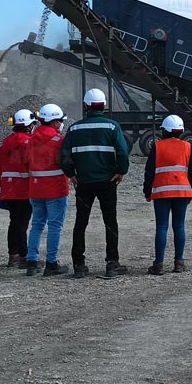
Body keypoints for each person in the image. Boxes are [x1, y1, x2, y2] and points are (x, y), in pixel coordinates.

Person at [61, 88, 131, 279]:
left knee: (81, 222)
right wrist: (120, 171)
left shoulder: (74, 129)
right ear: (104, 106)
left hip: (84, 183)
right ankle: (111, 263)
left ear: (86, 106)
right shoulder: (112, 127)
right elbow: (123, 152)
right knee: (110, 221)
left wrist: (71, 174)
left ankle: (79, 265)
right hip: (107, 182)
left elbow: (65, 154)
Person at [143, 115, 192, 276]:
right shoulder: (187, 146)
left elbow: (149, 172)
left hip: (161, 192)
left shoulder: (157, 146)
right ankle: (179, 263)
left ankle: (158, 265)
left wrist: (147, 192)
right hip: (182, 192)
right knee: (179, 226)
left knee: (162, 226)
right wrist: (191, 191)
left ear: (164, 130)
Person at [25, 103, 71, 278]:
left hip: (35, 189)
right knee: (54, 227)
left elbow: (27, 162)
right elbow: (66, 162)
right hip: (56, 189)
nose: (61, 124)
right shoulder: (59, 141)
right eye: (59, 121)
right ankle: (51, 263)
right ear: (54, 122)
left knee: (36, 225)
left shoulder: (31, 140)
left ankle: (32, 262)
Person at [0, 109, 36, 268]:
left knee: (14, 222)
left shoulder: (7, 142)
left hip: (8, 189)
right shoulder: (29, 143)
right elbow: (33, 166)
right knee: (22, 224)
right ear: (28, 125)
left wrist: (5, 184)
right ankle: (24, 257)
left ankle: (13, 255)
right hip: (24, 190)